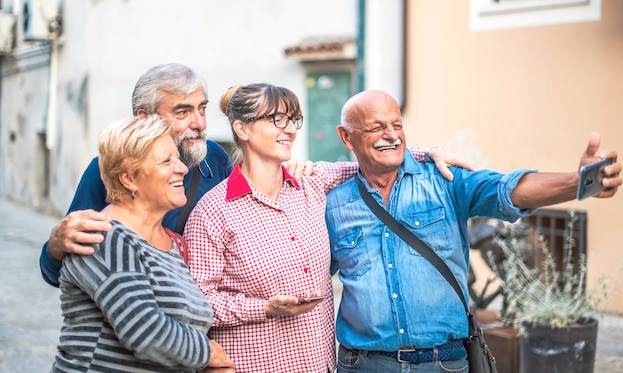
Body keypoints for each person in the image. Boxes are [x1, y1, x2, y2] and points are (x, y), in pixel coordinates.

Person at [38, 63, 473, 288]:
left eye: (203, 109)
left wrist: (420, 152)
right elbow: (60, 270)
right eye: (183, 112)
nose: (199, 123)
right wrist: (56, 246)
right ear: (144, 118)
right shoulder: (109, 170)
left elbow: (343, 167)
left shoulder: (213, 159)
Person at [182, 83, 475, 373]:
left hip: (319, 365)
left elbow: (376, 159)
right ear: (242, 129)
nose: (290, 129)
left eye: (293, 120)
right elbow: (197, 302)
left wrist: (430, 153)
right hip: (252, 364)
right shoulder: (212, 212)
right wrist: (264, 308)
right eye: (277, 120)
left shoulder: (313, 182)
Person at [325, 90, 622, 373]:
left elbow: (506, 190)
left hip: (442, 363)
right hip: (364, 364)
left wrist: (576, 182)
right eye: (376, 127)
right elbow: (309, 270)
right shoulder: (333, 203)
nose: (391, 135)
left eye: (396, 125)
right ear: (346, 137)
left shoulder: (445, 179)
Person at [51, 115, 235, 372]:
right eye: (166, 161)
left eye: (178, 159)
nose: (182, 168)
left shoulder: (171, 246)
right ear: (129, 178)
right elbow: (145, 330)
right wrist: (208, 353)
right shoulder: (107, 237)